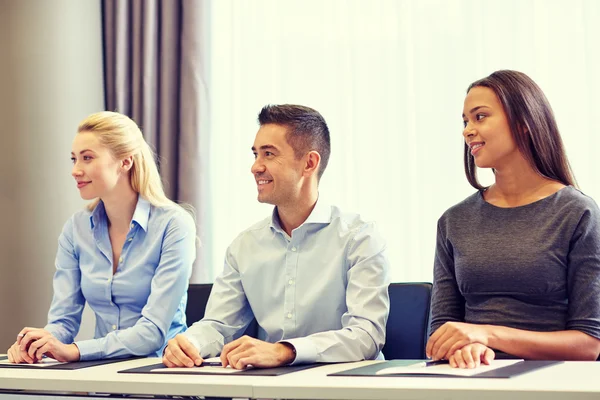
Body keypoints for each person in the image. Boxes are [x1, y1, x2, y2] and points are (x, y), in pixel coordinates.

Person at [162, 104, 390, 369]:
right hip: (266, 389)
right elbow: (219, 325)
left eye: (269, 154)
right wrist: (190, 343)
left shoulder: (360, 238)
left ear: (309, 163)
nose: (255, 167)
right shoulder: (244, 246)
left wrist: (285, 351)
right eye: (256, 154)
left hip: (342, 390)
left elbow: (366, 336)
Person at [426, 70, 600, 369]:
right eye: (465, 121)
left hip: (551, 382)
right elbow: (441, 333)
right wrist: (461, 349)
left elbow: (589, 344)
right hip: (470, 380)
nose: (467, 131)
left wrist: (487, 335)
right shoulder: (454, 221)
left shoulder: (577, 213)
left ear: (523, 124)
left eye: (480, 117)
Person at [6, 111, 196, 363]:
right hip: (99, 375)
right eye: (74, 159)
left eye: (87, 158)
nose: (75, 170)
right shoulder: (76, 229)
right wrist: (38, 343)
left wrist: (76, 351)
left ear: (125, 162)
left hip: (161, 372)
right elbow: (63, 321)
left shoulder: (174, 224)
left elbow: (152, 333)